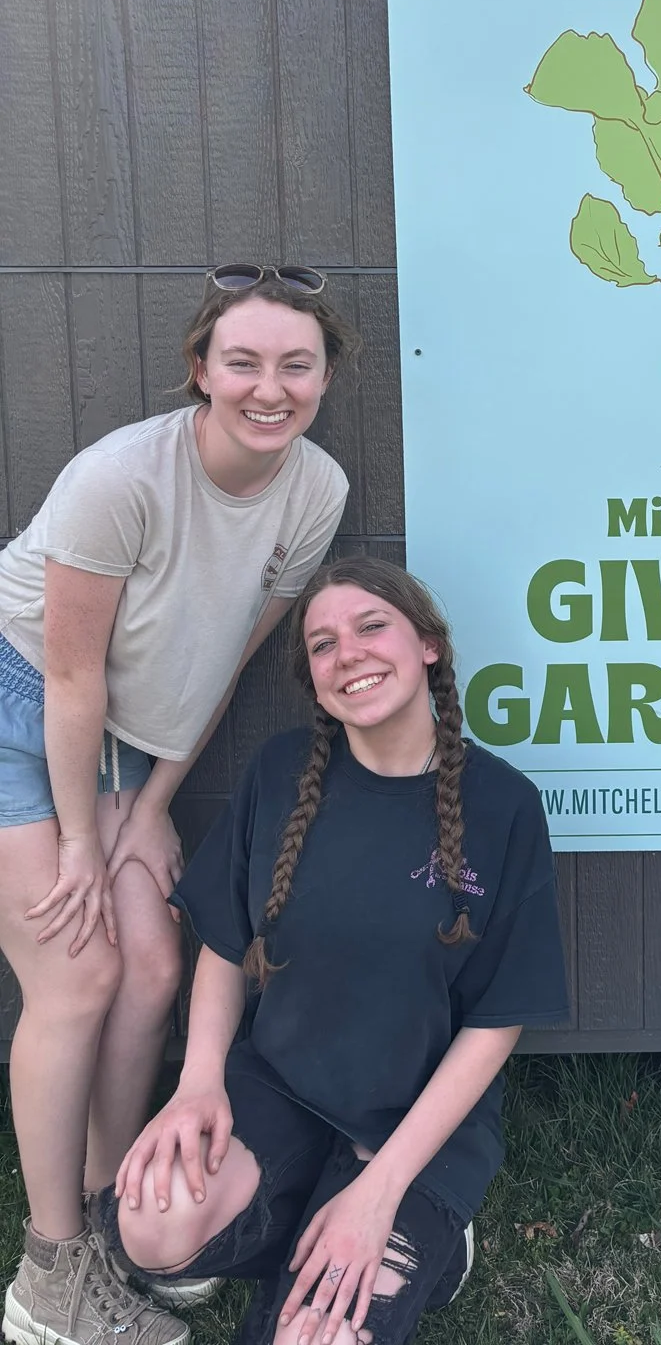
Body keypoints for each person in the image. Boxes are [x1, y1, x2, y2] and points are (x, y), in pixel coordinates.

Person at [1, 266, 357, 1345]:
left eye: (297, 365)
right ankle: (49, 1275)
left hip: (119, 743)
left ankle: (113, 1219)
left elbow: (222, 665)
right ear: (199, 370)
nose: (270, 387)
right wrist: (78, 842)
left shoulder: (316, 491)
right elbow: (68, 684)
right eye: (243, 361)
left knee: (155, 963)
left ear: (324, 377)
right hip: (24, 705)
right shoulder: (119, 481)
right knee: (81, 967)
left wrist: (149, 806)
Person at [92, 556, 570, 1345]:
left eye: (371, 626)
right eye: (321, 644)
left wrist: (382, 1189)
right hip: (280, 1084)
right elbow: (221, 937)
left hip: (415, 1124)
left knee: (322, 1336)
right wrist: (198, 1083)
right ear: (313, 680)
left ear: (429, 648)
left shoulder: (504, 805)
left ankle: (427, 1247)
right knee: (150, 1225)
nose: (346, 653)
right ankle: (295, 1212)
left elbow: (497, 1023)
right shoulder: (280, 774)